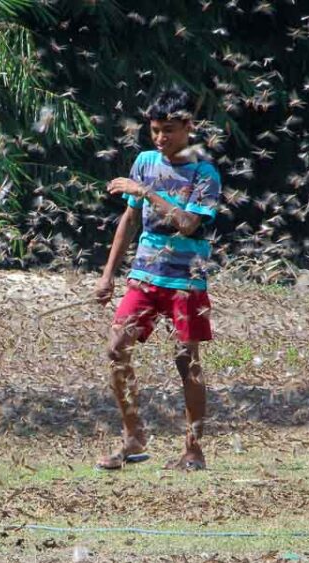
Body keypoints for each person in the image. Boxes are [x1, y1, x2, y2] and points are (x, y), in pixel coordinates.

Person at [95, 87, 221, 471]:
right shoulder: (145, 161)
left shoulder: (204, 173)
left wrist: (147, 192)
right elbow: (129, 220)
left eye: (168, 130)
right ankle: (133, 438)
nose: (161, 139)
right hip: (145, 275)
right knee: (117, 349)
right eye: (154, 131)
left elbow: (187, 224)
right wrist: (108, 274)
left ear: (189, 127)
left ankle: (193, 450)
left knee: (188, 363)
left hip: (186, 281)